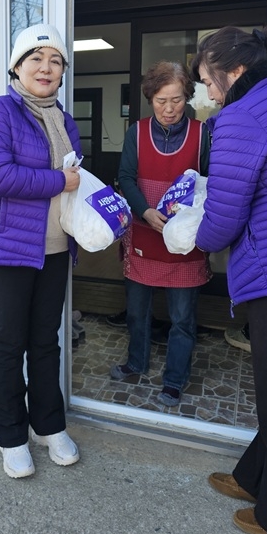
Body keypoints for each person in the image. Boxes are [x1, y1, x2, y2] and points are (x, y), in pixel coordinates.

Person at [0, 24, 82, 479]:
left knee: (46, 342)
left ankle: (49, 426)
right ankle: (11, 437)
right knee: (9, 345)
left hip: (55, 250)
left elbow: (75, 179)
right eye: (36, 58)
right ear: (16, 66)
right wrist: (59, 181)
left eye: (55, 61)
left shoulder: (65, 118)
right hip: (6, 253)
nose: (46, 68)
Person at [191, 25, 267, 534]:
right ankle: (254, 478)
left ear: (236, 71)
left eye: (207, 80)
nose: (206, 93)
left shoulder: (240, 118)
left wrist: (192, 237)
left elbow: (224, 217)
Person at [110, 60, 211, 406]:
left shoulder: (203, 134)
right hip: (143, 234)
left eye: (177, 100)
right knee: (137, 311)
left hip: (185, 243)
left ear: (188, 97)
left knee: (183, 318)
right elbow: (125, 177)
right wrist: (145, 211)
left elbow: (210, 184)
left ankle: (174, 379)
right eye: (160, 101)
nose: (169, 109)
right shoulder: (135, 133)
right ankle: (136, 362)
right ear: (149, 98)